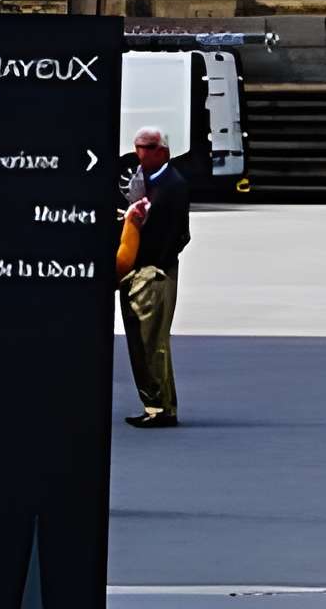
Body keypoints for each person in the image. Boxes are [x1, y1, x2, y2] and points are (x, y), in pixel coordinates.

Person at [120, 126, 193, 428]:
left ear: (163, 151)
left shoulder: (170, 185)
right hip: (147, 268)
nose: (141, 153)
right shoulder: (149, 180)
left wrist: (154, 265)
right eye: (138, 146)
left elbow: (175, 234)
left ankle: (159, 407)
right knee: (145, 341)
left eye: (148, 147)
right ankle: (159, 404)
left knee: (150, 343)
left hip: (153, 271)